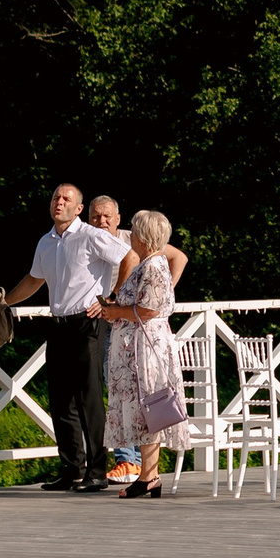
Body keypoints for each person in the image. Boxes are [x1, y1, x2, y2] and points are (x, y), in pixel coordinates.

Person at [0, 183, 134, 491]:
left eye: (66, 199)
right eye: (56, 197)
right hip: (58, 324)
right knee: (60, 401)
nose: (59, 202)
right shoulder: (46, 242)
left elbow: (130, 257)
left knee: (89, 399)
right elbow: (35, 279)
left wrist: (112, 299)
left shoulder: (91, 235)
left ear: (78, 209)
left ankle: (97, 471)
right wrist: (6, 302)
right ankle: (72, 468)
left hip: (87, 325)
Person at [92, 211, 190, 498]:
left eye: (134, 231)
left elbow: (149, 309)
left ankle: (148, 475)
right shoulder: (149, 264)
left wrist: (114, 312)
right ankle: (150, 475)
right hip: (140, 343)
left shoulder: (153, 266)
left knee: (149, 405)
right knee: (146, 407)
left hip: (145, 347)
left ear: (145, 237)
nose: (130, 235)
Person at [89, 196, 143, 487]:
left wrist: (116, 298)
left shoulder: (129, 240)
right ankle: (130, 459)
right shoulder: (86, 240)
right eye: (96, 217)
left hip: (125, 323)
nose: (102, 221)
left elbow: (177, 257)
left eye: (107, 216)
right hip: (99, 322)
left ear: (118, 218)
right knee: (116, 388)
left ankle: (128, 460)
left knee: (123, 387)